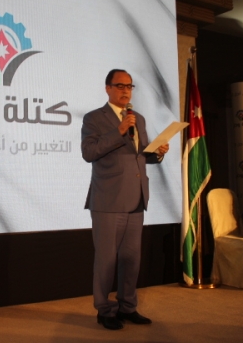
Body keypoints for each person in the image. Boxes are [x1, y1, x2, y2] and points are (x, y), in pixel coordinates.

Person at [81, 69, 169, 330]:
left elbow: (140, 155)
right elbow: (89, 152)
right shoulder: (94, 118)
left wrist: (158, 153)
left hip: (136, 197)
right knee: (106, 260)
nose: (126, 91)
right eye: (120, 85)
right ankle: (104, 310)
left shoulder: (138, 118)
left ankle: (128, 306)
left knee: (131, 259)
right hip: (108, 199)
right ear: (107, 88)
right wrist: (118, 131)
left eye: (129, 86)